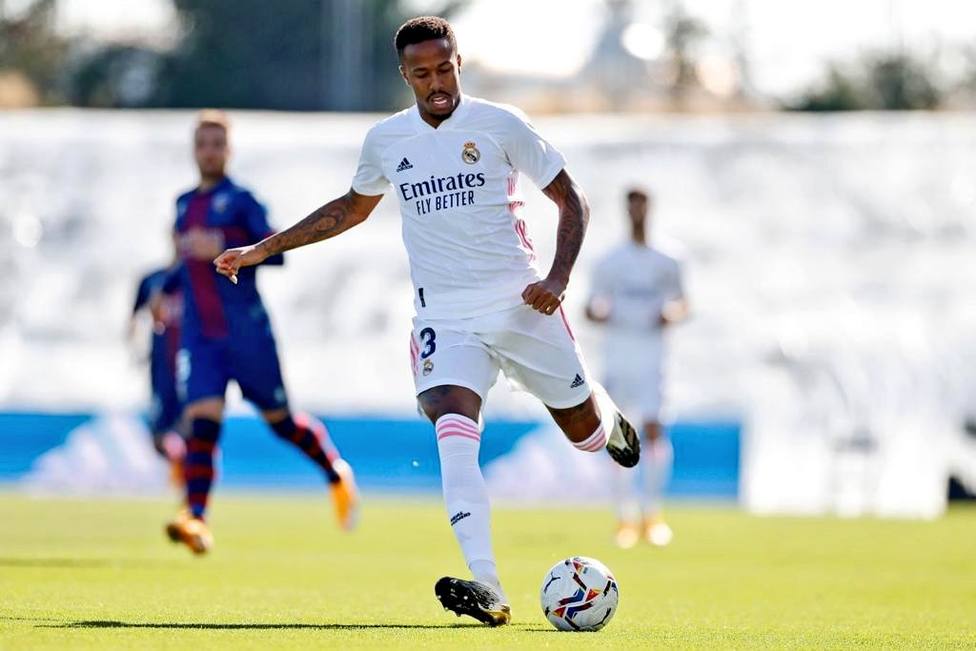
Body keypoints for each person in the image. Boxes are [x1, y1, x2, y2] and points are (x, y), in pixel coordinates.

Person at [212, 17, 639, 626]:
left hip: (521, 304)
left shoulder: (501, 124)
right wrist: (262, 248)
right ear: (405, 75)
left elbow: (572, 199)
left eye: (444, 69)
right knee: (452, 428)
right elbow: (351, 209)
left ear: (458, 63)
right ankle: (488, 586)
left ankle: (605, 415)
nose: (436, 83)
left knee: (585, 435)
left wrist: (557, 278)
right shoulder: (388, 139)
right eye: (422, 74)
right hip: (443, 316)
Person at [162, 110, 359, 555]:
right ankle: (196, 517)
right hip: (202, 335)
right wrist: (163, 291)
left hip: (247, 333)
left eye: (217, 144)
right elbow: (183, 265)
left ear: (229, 151)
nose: (209, 152)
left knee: (280, 422)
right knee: (202, 422)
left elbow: (277, 251)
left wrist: (229, 247)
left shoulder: (243, 201)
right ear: (194, 150)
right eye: (203, 144)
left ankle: (335, 472)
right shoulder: (183, 205)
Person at [585, 188, 688, 548]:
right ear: (626, 210)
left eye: (642, 206)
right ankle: (624, 517)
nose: (637, 212)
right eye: (632, 206)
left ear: (650, 208)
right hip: (618, 356)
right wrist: (598, 312)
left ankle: (652, 514)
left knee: (655, 429)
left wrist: (671, 313)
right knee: (619, 433)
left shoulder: (669, 258)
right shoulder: (609, 261)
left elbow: (683, 302)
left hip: (653, 357)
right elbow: (589, 307)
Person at [129, 264, 186, 483]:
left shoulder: (201, 276)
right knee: (160, 431)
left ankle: (192, 484)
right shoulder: (153, 280)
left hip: (194, 365)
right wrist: (135, 350)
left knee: (195, 424)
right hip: (161, 366)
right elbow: (134, 319)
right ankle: (179, 471)